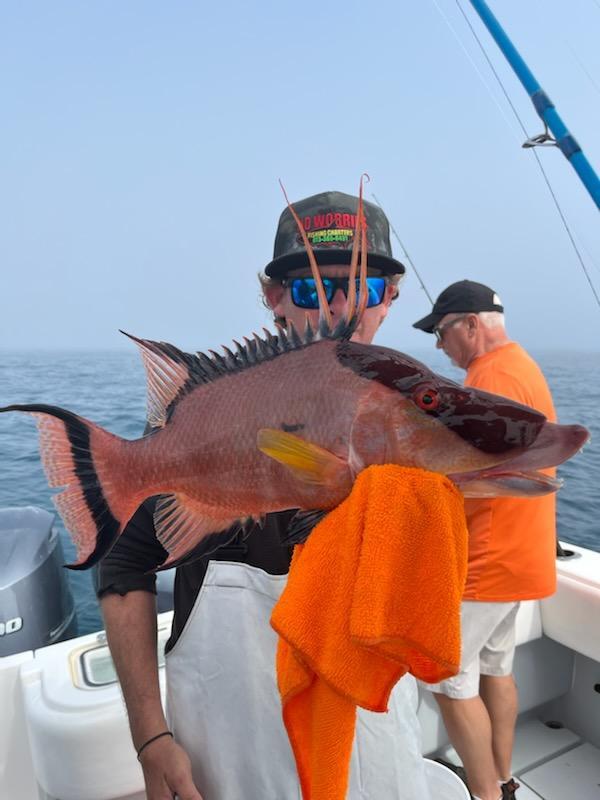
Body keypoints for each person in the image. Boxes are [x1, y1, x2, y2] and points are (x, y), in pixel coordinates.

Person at [98, 191, 433, 800]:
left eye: (362, 289)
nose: (340, 308)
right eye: (310, 289)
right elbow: (123, 568)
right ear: (274, 298)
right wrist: (150, 738)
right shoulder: (214, 413)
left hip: (372, 733)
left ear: (390, 297)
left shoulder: (417, 412)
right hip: (228, 746)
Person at [413, 280, 558, 800]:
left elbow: (469, 478)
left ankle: (486, 795)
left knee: (448, 685)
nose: (437, 345)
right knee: (496, 668)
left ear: (471, 325)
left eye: (441, 330)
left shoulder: (487, 376)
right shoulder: (523, 366)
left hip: (485, 561)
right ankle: (503, 777)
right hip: (525, 554)